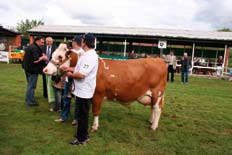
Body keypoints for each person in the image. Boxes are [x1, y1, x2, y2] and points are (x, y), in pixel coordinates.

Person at [68, 33, 99, 145]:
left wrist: (70, 75)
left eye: (82, 40)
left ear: (85, 42)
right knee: (82, 114)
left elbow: (81, 75)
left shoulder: (90, 56)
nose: (81, 41)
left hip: (85, 91)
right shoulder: (86, 54)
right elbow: (79, 69)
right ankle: (82, 134)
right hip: (81, 90)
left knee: (83, 115)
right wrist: (71, 69)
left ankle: (82, 139)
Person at [55, 35, 84, 125]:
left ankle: (76, 118)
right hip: (69, 79)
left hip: (77, 80)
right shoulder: (69, 52)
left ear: (75, 42)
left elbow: (81, 68)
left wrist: (69, 69)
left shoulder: (83, 53)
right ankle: (64, 117)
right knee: (66, 98)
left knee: (77, 100)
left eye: (73, 41)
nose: (72, 42)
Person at [22, 36, 48, 106]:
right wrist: (43, 57)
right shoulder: (34, 48)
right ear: (37, 41)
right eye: (42, 42)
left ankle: (29, 99)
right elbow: (36, 60)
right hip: (32, 70)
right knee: (32, 86)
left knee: (30, 85)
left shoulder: (31, 46)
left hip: (27, 68)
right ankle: (30, 102)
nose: (43, 44)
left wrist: (41, 55)